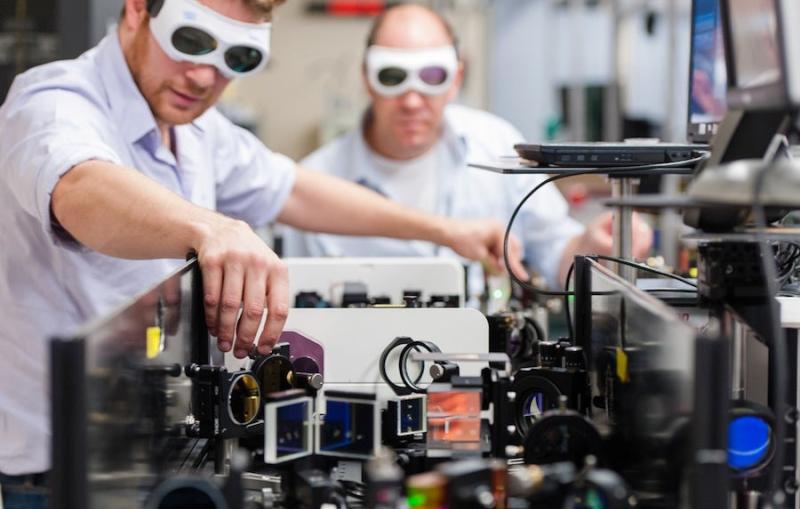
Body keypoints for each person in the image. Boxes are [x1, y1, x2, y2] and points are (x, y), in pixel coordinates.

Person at [0, 0, 528, 503]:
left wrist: (445, 231)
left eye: (236, 57)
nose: (206, 77)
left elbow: (293, 188)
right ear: (139, 8)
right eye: (190, 40)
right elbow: (79, 188)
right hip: (60, 472)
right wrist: (213, 229)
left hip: (157, 448)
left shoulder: (197, 130)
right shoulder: (53, 101)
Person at [284, 4, 652, 295]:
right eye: (393, 77)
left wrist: (595, 244)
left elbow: (559, 257)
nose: (412, 100)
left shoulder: (494, 145)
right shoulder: (314, 184)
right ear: (367, 78)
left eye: (432, 77)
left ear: (456, 78)